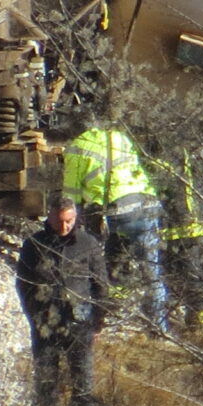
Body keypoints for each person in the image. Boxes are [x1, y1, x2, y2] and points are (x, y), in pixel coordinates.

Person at [58, 118, 170, 336]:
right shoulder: (118, 137)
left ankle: (104, 318)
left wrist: (68, 231)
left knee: (105, 265)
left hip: (114, 212)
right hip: (146, 205)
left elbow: (71, 195)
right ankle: (159, 330)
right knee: (152, 272)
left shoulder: (77, 147)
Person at [16, 194, 108, 406]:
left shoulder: (88, 243)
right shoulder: (33, 245)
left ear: (75, 218)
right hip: (45, 322)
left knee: (82, 383)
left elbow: (101, 285)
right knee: (46, 382)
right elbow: (23, 285)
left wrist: (98, 322)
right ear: (49, 217)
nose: (64, 226)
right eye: (60, 221)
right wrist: (34, 316)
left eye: (69, 221)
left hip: (80, 321)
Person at [160, 147, 203, 327]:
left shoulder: (166, 151)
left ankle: (199, 322)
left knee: (191, 272)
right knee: (194, 272)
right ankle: (199, 320)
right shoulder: (194, 143)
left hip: (186, 224)